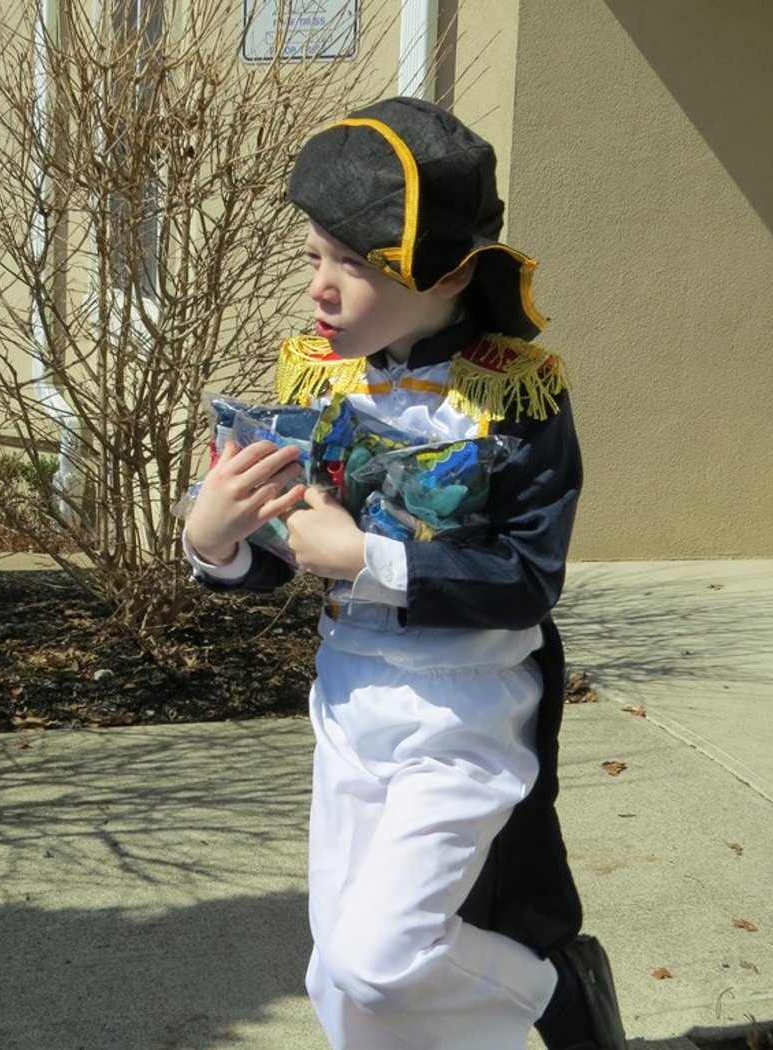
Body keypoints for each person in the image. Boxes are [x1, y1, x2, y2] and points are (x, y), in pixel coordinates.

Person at [183, 96, 625, 1050]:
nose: (321, 289)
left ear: (452, 273)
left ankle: (552, 991)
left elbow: (526, 576)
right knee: (338, 977)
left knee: (378, 959)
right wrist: (215, 539)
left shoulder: (516, 393)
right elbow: (280, 551)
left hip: (463, 712)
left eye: (356, 265)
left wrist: (368, 557)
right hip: (347, 699)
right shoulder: (318, 376)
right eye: (314, 257)